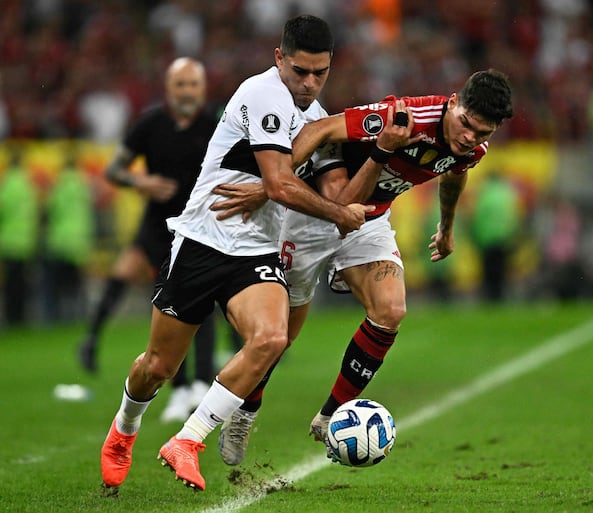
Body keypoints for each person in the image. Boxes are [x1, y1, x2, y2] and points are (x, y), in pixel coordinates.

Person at [99, 14, 374, 494]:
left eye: (320, 73)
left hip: (255, 249)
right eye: (300, 71)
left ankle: (188, 440)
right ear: (278, 59)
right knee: (157, 368)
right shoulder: (262, 93)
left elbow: (331, 182)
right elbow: (280, 181)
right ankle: (124, 429)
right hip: (204, 239)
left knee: (271, 340)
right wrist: (337, 214)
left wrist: (381, 156)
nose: (309, 83)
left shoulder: (316, 116)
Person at [211, 69, 514, 466]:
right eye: (467, 125)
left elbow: (455, 174)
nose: (470, 138)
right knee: (279, 337)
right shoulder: (402, 117)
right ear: (454, 102)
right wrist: (272, 184)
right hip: (314, 214)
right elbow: (319, 130)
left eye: (482, 134)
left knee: (391, 311)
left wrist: (447, 225)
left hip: (368, 221)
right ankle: (244, 415)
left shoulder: (471, 150)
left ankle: (329, 415)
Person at [76, 57, 220, 423]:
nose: (187, 92)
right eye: (180, 85)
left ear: (202, 90)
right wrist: (142, 182)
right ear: (168, 88)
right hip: (156, 227)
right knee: (161, 299)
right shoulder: (150, 124)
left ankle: (199, 384)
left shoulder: (216, 125)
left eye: (193, 85)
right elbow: (115, 169)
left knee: (200, 300)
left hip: (198, 226)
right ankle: (177, 385)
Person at [41, 149, 95, 323]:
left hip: (61, 239)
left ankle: (56, 317)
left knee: (55, 282)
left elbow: (52, 209)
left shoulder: (61, 184)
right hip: (79, 239)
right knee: (76, 283)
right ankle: (78, 315)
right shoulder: (83, 183)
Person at [0, 148, 39, 327]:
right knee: (23, 285)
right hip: (26, 242)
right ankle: (22, 318)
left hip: (9, 242)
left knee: (10, 287)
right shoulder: (27, 184)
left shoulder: (7, 184)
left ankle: (12, 319)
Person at [469, 171, 521, 302]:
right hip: (504, 238)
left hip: (486, 239)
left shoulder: (484, 194)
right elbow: (513, 217)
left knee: (488, 273)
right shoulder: (507, 194)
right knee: (501, 272)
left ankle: (489, 299)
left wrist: (476, 237)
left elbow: (478, 218)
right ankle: (500, 298)